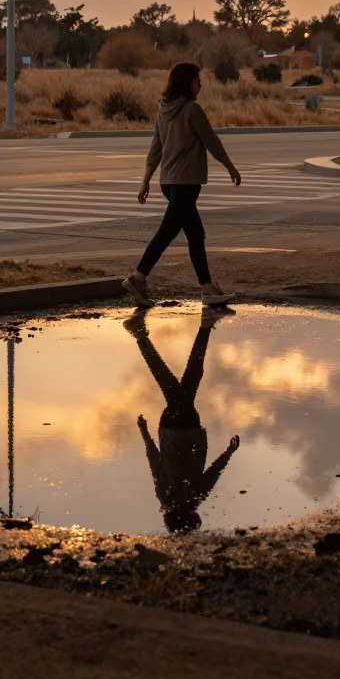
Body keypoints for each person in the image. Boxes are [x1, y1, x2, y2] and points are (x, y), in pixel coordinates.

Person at [122, 61, 241, 308]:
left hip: (169, 182)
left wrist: (146, 180)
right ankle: (138, 277)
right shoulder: (192, 111)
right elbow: (212, 142)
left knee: (195, 234)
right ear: (187, 83)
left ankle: (207, 288)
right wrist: (230, 166)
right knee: (167, 232)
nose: (201, 85)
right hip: (186, 183)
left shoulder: (163, 110)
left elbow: (155, 147)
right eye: (198, 80)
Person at [124, 310, 240, 533]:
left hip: (186, 427)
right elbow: (154, 463)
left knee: (184, 377)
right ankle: (145, 334)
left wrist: (229, 452)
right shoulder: (167, 498)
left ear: (191, 520)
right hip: (171, 428)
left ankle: (143, 334)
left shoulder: (193, 498)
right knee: (183, 378)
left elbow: (213, 473)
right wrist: (145, 432)